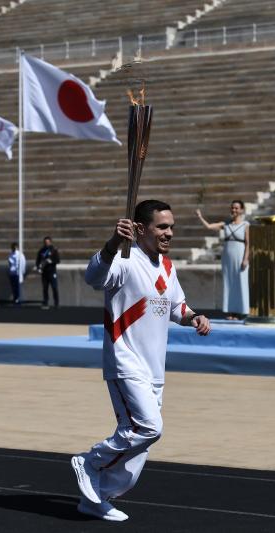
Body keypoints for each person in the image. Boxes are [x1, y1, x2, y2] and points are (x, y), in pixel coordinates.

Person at [71, 199, 212, 521]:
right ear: (140, 228)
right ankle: (90, 462)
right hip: (126, 361)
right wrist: (112, 244)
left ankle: (97, 499)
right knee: (148, 428)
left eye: (171, 226)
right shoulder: (123, 259)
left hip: (154, 367)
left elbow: (176, 307)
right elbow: (93, 277)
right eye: (162, 226)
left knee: (139, 447)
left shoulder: (166, 266)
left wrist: (194, 318)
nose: (169, 233)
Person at [196, 200, 250, 320]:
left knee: (240, 282)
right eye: (232, 208)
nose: (234, 210)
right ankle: (230, 311)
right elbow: (209, 226)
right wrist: (200, 217)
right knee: (229, 282)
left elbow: (248, 243)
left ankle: (241, 312)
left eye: (236, 208)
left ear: (241, 210)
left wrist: (246, 259)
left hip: (240, 255)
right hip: (227, 256)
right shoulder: (225, 224)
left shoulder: (245, 225)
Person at [35, 236, 60, 309]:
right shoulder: (41, 250)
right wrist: (38, 267)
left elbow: (58, 260)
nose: (46, 243)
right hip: (44, 273)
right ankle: (45, 302)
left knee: (54, 287)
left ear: (50, 242)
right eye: (45, 242)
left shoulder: (54, 250)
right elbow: (37, 261)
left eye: (48, 242)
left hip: (52, 272)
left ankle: (56, 303)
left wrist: (51, 261)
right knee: (45, 288)